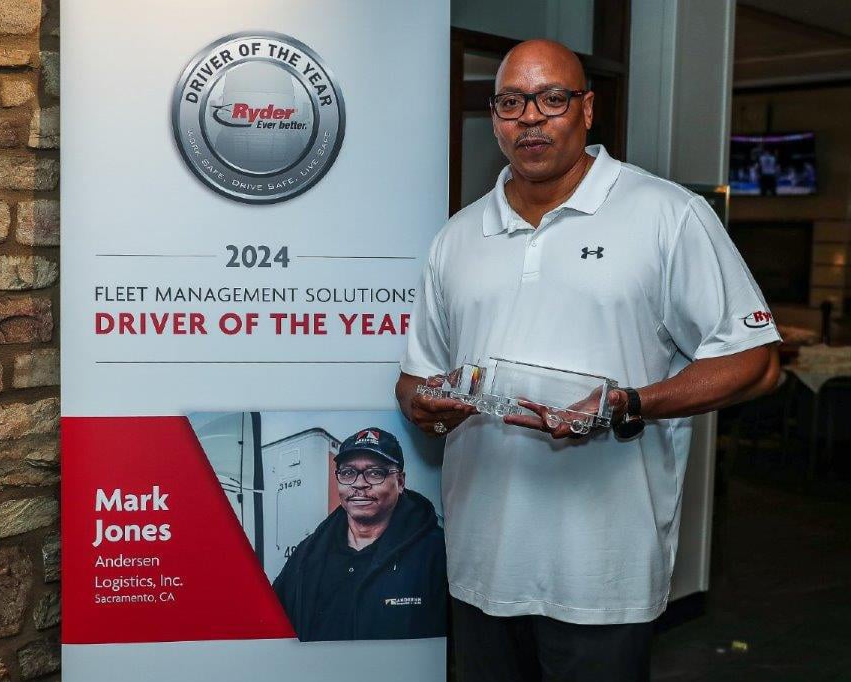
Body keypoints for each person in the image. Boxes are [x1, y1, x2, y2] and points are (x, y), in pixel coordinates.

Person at [396, 39, 780, 681]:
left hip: (604, 569)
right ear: (494, 117)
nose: (530, 118)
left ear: (588, 108)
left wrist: (628, 404)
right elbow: (415, 378)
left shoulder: (667, 215)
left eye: (552, 99)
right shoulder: (457, 237)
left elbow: (756, 362)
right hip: (482, 563)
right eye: (511, 102)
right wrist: (429, 406)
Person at [271, 427, 447, 642]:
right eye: (348, 473)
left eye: (375, 473)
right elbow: (274, 625)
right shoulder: (307, 555)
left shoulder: (436, 553)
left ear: (400, 482)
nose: (359, 483)